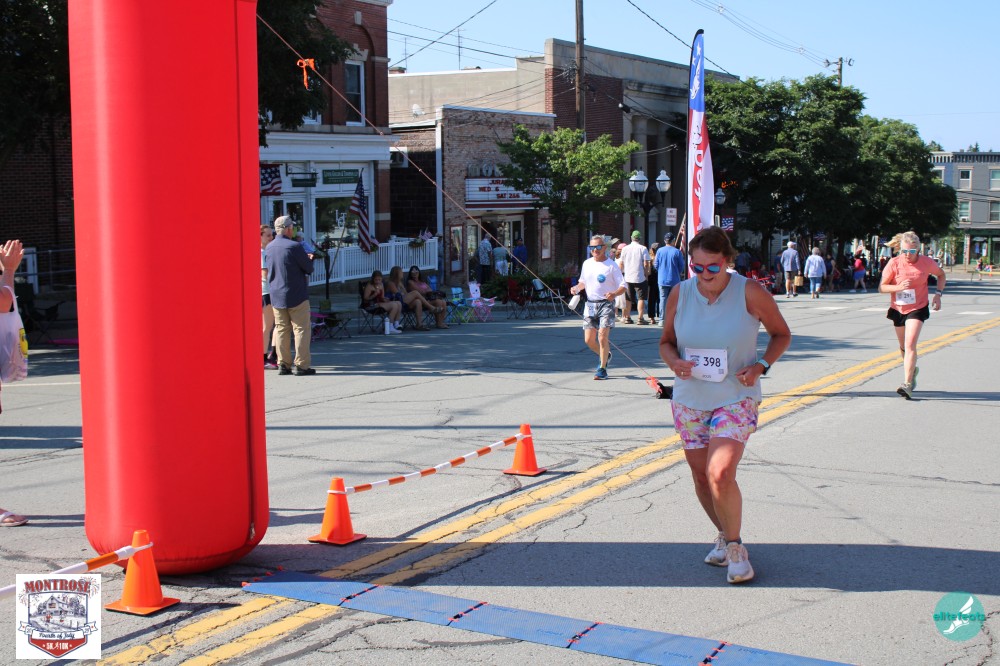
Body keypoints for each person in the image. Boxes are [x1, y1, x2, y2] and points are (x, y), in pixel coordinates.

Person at [659, 226, 791, 584]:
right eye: (697, 267)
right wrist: (674, 362)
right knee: (702, 477)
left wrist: (761, 366)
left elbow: (782, 334)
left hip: (735, 396)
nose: (705, 275)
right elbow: (666, 341)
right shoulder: (681, 293)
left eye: (713, 267)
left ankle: (735, 548)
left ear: (727, 261)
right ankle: (723, 532)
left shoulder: (750, 292)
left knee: (719, 472)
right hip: (690, 400)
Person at [878, 231, 946, 400]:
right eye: (905, 251)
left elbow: (941, 274)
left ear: (918, 249)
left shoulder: (926, 263)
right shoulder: (894, 263)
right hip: (898, 308)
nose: (908, 255)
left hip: (918, 307)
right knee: (903, 346)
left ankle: (907, 384)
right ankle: (912, 371)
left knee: (910, 344)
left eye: (912, 251)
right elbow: (882, 287)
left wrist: (938, 294)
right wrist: (898, 287)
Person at [570, 235, 626, 380]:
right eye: (592, 247)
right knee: (589, 340)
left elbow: (623, 286)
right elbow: (583, 282)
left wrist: (614, 294)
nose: (595, 250)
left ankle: (602, 368)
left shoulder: (611, 265)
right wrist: (576, 288)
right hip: (590, 304)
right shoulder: (587, 263)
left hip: (606, 304)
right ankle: (605, 355)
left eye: (598, 247)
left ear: (604, 248)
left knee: (602, 337)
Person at [265, 215, 316, 375]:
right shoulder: (294, 246)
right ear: (288, 229)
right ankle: (301, 365)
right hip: (296, 294)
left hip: (276, 294)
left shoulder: (269, 247)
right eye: (292, 228)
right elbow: (308, 268)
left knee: (281, 329)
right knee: (301, 329)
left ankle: (283, 364)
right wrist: (310, 259)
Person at [385, 266, 434, 331]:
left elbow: (405, 293)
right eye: (401, 272)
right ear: (396, 274)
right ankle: (430, 307)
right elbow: (398, 295)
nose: (402, 273)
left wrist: (406, 294)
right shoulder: (390, 283)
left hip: (403, 302)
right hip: (396, 303)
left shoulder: (399, 283)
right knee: (415, 293)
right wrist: (406, 294)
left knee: (417, 301)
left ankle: (419, 324)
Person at [620, 230, 652, 324]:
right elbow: (646, 263)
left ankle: (627, 317)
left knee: (628, 298)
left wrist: (622, 273)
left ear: (631, 238)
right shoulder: (643, 248)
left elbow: (621, 263)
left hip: (628, 276)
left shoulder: (625, 249)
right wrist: (646, 274)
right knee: (641, 298)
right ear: (639, 239)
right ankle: (640, 318)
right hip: (640, 276)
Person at [654, 232, 686, 322]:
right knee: (674, 299)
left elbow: (655, 265)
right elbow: (681, 266)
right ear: (673, 241)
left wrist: (661, 271)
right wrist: (676, 272)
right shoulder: (677, 252)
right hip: (674, 279)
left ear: (665, 241)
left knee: (663, 299)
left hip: (662, 279)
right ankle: (673, 318)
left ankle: (662, 319)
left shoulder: (659, 251)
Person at [363, 270, 403, 334]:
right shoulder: (369, 285)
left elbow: (382, 297)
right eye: (376, 280)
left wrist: (386, 299)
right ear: (373, 279)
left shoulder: (381, 284)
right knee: (394, 305)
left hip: (380, 303)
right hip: (371, 305)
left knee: (399, 303)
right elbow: (365, 299)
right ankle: (389, 327)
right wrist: (374, 295)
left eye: (379, 279)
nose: (378, 281)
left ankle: (396, 323)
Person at [261, 225, 278, 369]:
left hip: (267, 291)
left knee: (271, 325)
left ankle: (271, 355)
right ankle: (264, 357)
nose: (271, 237)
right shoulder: (262, 253)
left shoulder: (266, 251)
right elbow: (264, 274)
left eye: (271, 234)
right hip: (266, 292)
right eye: (267, 235)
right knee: (267, 326)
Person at [648, 242, 660, 325]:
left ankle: (652, 317)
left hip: (651, 279)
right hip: (658, 278)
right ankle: (660, 315)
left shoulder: (649, 257)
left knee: (651, 299)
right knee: (660, 298)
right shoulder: (659, 257)